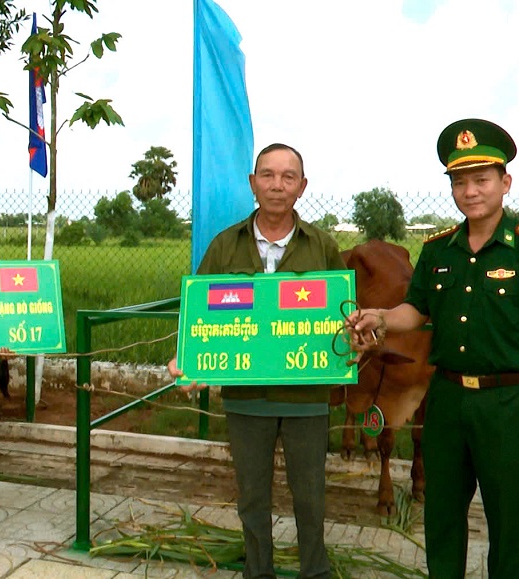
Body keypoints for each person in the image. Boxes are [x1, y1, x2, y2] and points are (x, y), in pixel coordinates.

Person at [347, 119, 519, 578]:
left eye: (481, 180)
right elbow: (417, 310)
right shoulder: (438, 250)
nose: (470, 191)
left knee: (507, 526)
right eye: (459, 181)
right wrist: (383, 319)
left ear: (504, 183)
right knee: (442, 520)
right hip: (446, 401)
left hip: (508, 405)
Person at [169, 143, 345, 579]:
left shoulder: (322, 247)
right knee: (251, 497)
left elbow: (343, 316)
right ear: (252, 183)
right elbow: (201, 318)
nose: (277, 185)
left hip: (306, 397)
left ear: (302, 187)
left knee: (310, 495)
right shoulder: (225, 246)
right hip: (246, 398)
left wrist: (357, 334)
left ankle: (316, 572)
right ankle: (258, 571)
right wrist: (188, 361)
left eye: (288, 177)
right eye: (267, 175)